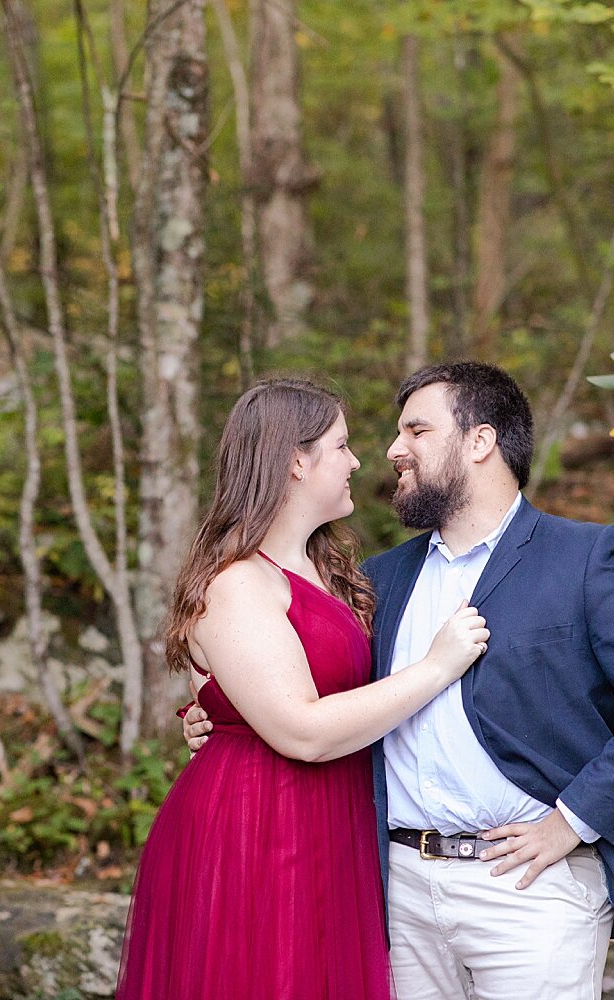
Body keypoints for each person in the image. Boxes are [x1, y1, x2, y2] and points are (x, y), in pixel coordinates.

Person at [184, 362, 614, 1000]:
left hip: (530, 886)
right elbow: (312, 692)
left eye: (417, 430)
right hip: (395, 889)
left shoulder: (582, 558)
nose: (391, 451)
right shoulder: (378, 580)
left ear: (479, 442)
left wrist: (574, 821)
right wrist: (225, 719)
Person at [116, 378, 491, 1000]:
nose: (357, 461)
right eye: (341, 446)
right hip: (260, 826)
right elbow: (302, 729)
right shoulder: (237, 583)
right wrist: (435, 667)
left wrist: (211, 708)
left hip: (328, 819)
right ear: (296, 461)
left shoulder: (328, 570)